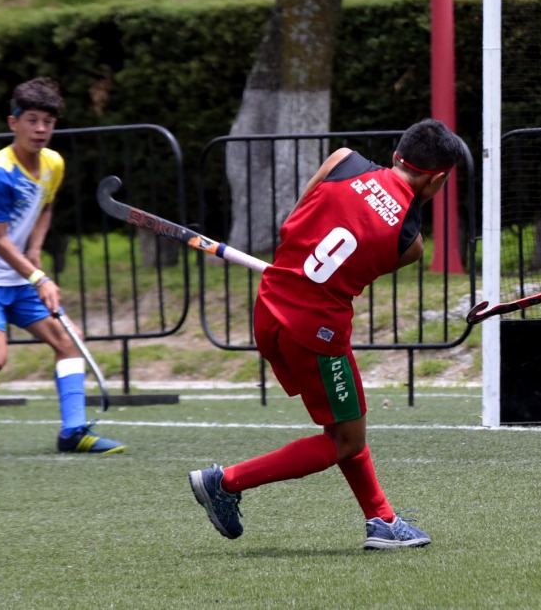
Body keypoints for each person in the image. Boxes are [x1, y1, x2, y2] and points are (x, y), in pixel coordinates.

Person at [188, 118, 462, 550]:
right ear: (439, 180)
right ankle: (225, 482)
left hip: (270, 307)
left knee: (344, 422)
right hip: (314, 332)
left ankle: (382, 520)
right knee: (346, 439)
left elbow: (295, 222)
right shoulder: (410, 244)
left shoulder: (343, 160)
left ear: (396, 156)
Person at [0, 78, 125, 454]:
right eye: (31, 120)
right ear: (13, 122)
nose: (40, 129)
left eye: (48, 121)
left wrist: (34, 249)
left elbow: (45, 206)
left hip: (17, 275)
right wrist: (38, 275)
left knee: (68, 342)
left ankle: (74, 433)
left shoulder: (53, 163)